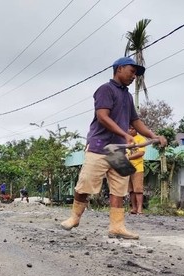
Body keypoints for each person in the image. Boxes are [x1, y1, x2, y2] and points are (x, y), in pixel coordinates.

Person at [60, 57, 166, 239]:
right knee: (85, 185)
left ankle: (117, 226)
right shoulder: (105, 90)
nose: (134, 76)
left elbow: (136, 121)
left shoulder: (127, 96)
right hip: (99, 146)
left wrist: (153, 136)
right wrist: (125, 134)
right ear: (119, 69)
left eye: (136, 74)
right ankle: (74, 217)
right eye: (131, 71)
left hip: (117, 149)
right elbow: (102, 116)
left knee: (119, 188)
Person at [127, 125, 147, 215]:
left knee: (138, 189)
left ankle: (139, 209)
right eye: (129, 128)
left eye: (133, 128)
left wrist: (128, 158)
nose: (131, 130)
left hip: (137, 167)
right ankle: (134, 208)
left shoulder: (141, 139)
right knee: (130, 189)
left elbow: (141, 152)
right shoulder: (125, 139)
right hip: (126, 167)